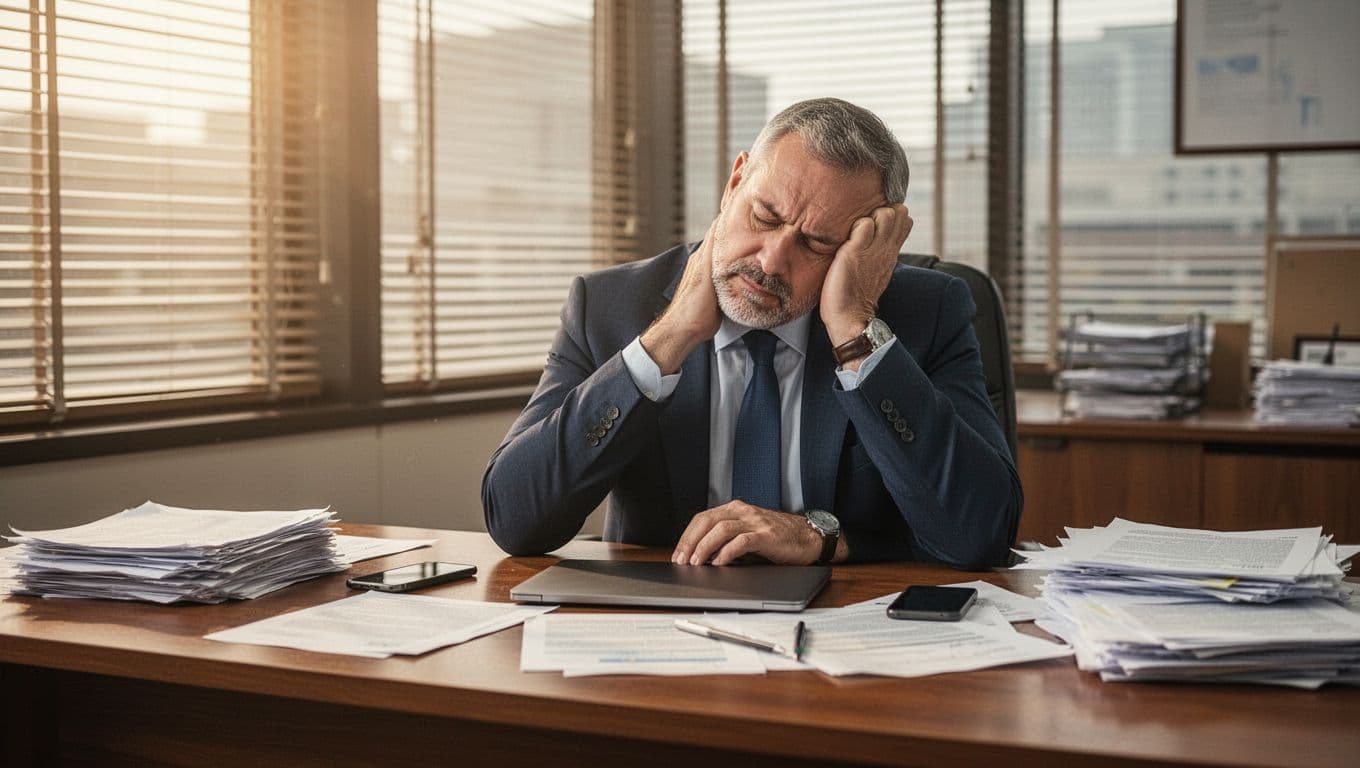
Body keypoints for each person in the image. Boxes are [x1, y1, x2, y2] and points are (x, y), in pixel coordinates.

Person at [482, 97, 1020, 569]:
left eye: (816, 245)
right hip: (658, 634)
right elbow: (515, 518)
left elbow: (981, 535)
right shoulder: (610, 307)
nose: (771, 261)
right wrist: (668, 338)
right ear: (735, 181)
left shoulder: (928, 313)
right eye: (764, 216)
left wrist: (855, 328)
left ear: (867, 247)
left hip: (847, 632)